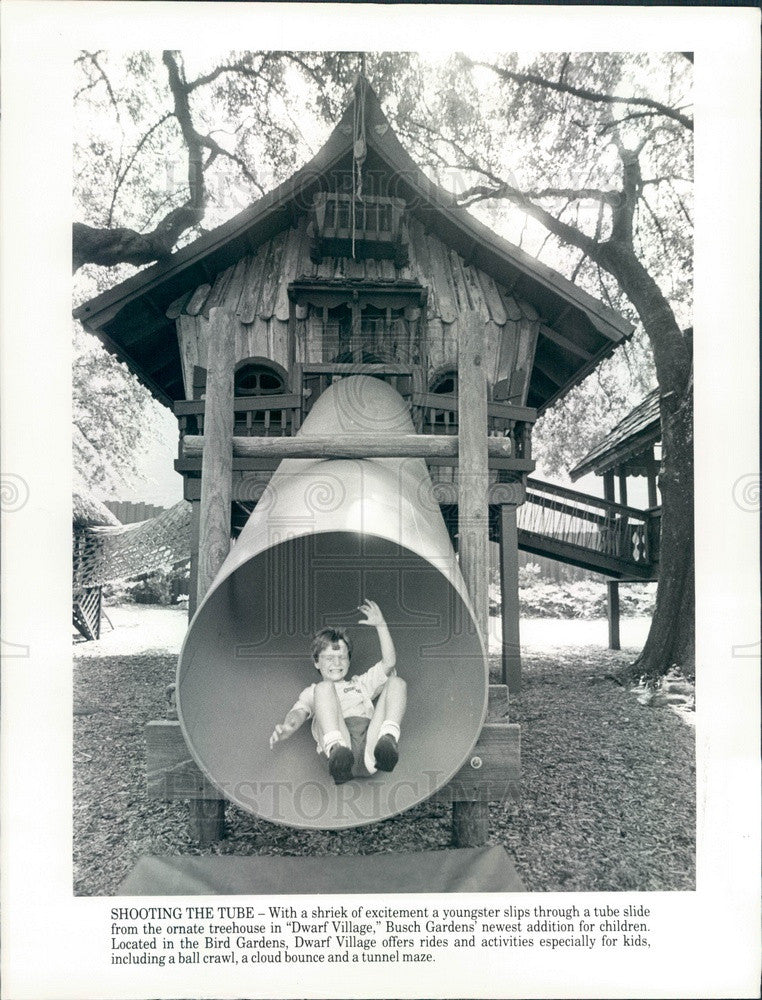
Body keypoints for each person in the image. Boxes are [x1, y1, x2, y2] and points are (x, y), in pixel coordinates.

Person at [269, 599, 406, 785]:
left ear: (349, 661)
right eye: (329, 658)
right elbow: (299, 712)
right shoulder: (314, 692)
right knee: (324, 688)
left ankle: (388, 741)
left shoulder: (361, 684)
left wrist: (381, 625)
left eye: (342, 657)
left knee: (396, 682)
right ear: (317, 662)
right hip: (341, 749)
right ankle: (337, 751)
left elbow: (389, 663)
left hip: (371, 752)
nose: (336, 663)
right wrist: (289, 727)